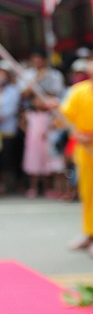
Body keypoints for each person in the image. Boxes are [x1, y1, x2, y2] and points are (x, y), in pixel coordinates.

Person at [60, 55, 93, 255]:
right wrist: (53, 108)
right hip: (85, 154)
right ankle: (89, 232)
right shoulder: (78, 92)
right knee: (88, 194)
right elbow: (64, 117)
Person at [0, 62, 21, 193]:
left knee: (6, 157)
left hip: (7, 129)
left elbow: (12, 108)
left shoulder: (13, 90)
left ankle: (7, 183)